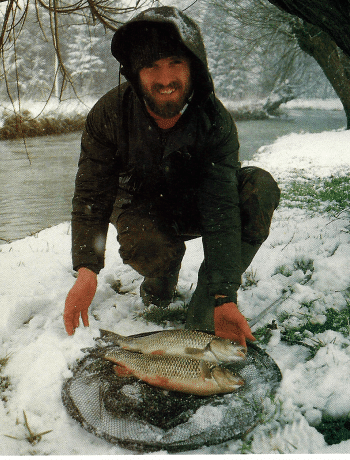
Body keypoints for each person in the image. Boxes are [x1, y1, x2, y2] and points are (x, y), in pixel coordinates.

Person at [64, 6, 280, 346]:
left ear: (194, 67)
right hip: (141, 208)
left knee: (259, 187)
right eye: (151, 66)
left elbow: (221, 207)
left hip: (195, 204)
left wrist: (224, 296)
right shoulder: (108, 114)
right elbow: (92, 195)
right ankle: (160, 280)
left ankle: (208, 298)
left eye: (175, 63)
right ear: (135, 73)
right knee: (150, 246)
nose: (165, 79)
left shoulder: (215, 122)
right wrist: (87, 270)